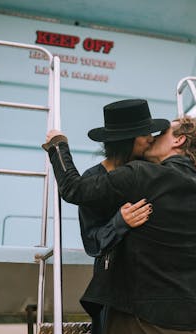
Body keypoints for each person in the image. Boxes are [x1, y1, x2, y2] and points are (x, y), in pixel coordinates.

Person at [43, 115, 196, 333]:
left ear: (179, 140)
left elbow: (74, 188)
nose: (152, 138)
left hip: (144, 320)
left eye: (162, 133)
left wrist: (58, 144)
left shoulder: (140, 174)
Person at [77, 99, 171, 334]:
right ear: (127, 138)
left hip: (159, 284)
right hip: (116, 288)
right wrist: (120, 222)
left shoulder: (155, 170)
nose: (152, 137)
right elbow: (92, 242)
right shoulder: (92, 179)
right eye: (145, 133)